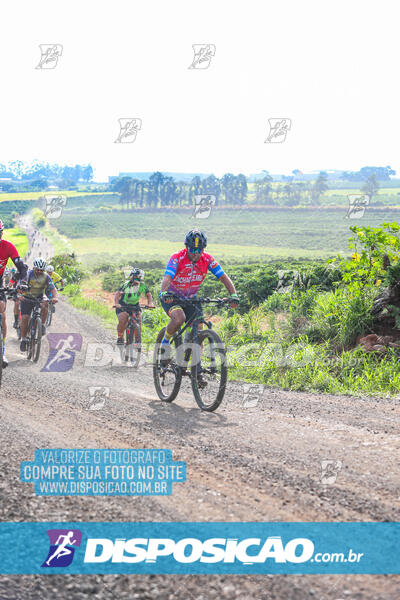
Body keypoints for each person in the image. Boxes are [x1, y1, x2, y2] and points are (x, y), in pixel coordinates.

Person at [158, 229, 239, 361]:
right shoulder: (177, 258)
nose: (196, 254)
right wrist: (164, 293)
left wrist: (233, 295)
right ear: (186, 247)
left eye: (199, 250)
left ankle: (196, 368)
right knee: (179, 318)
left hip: (191, 299)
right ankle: (165, 343)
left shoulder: (207, 259)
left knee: (198, 330)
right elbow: (167, 277)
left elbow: (223, 277)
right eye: (192, 250)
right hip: (172, 297)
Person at [0, 219, 28, 366]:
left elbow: (22, 268)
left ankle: (2, 351)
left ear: (2, 233)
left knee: (2, 314)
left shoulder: (8, 247)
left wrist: (22, 283)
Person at [19, 258, 58, 351]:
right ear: (34, 268)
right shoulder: (28, 274)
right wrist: (21, 293)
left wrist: (55, 297)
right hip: (27, 298)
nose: (39, 271)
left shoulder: (46, 276)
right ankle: (23, 339)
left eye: (41, 270)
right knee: (25, 318)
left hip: (39, 297)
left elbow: (53, 288)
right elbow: (22, 283)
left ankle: (42, 324)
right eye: (37, 269)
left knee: (45, 304)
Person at [114, 268, 154, 345]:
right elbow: (118, 294)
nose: (136, 278)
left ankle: (137, 341)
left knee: (138, 321)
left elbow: (148, 295)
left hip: (135, 305)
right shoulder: (126, 284)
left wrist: (150, 303)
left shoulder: (142, 285)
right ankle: (120, 337)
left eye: (138, 277)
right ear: (131, 276)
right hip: (123, 305)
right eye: (134, 276)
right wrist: (116, 303)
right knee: (123, 319)